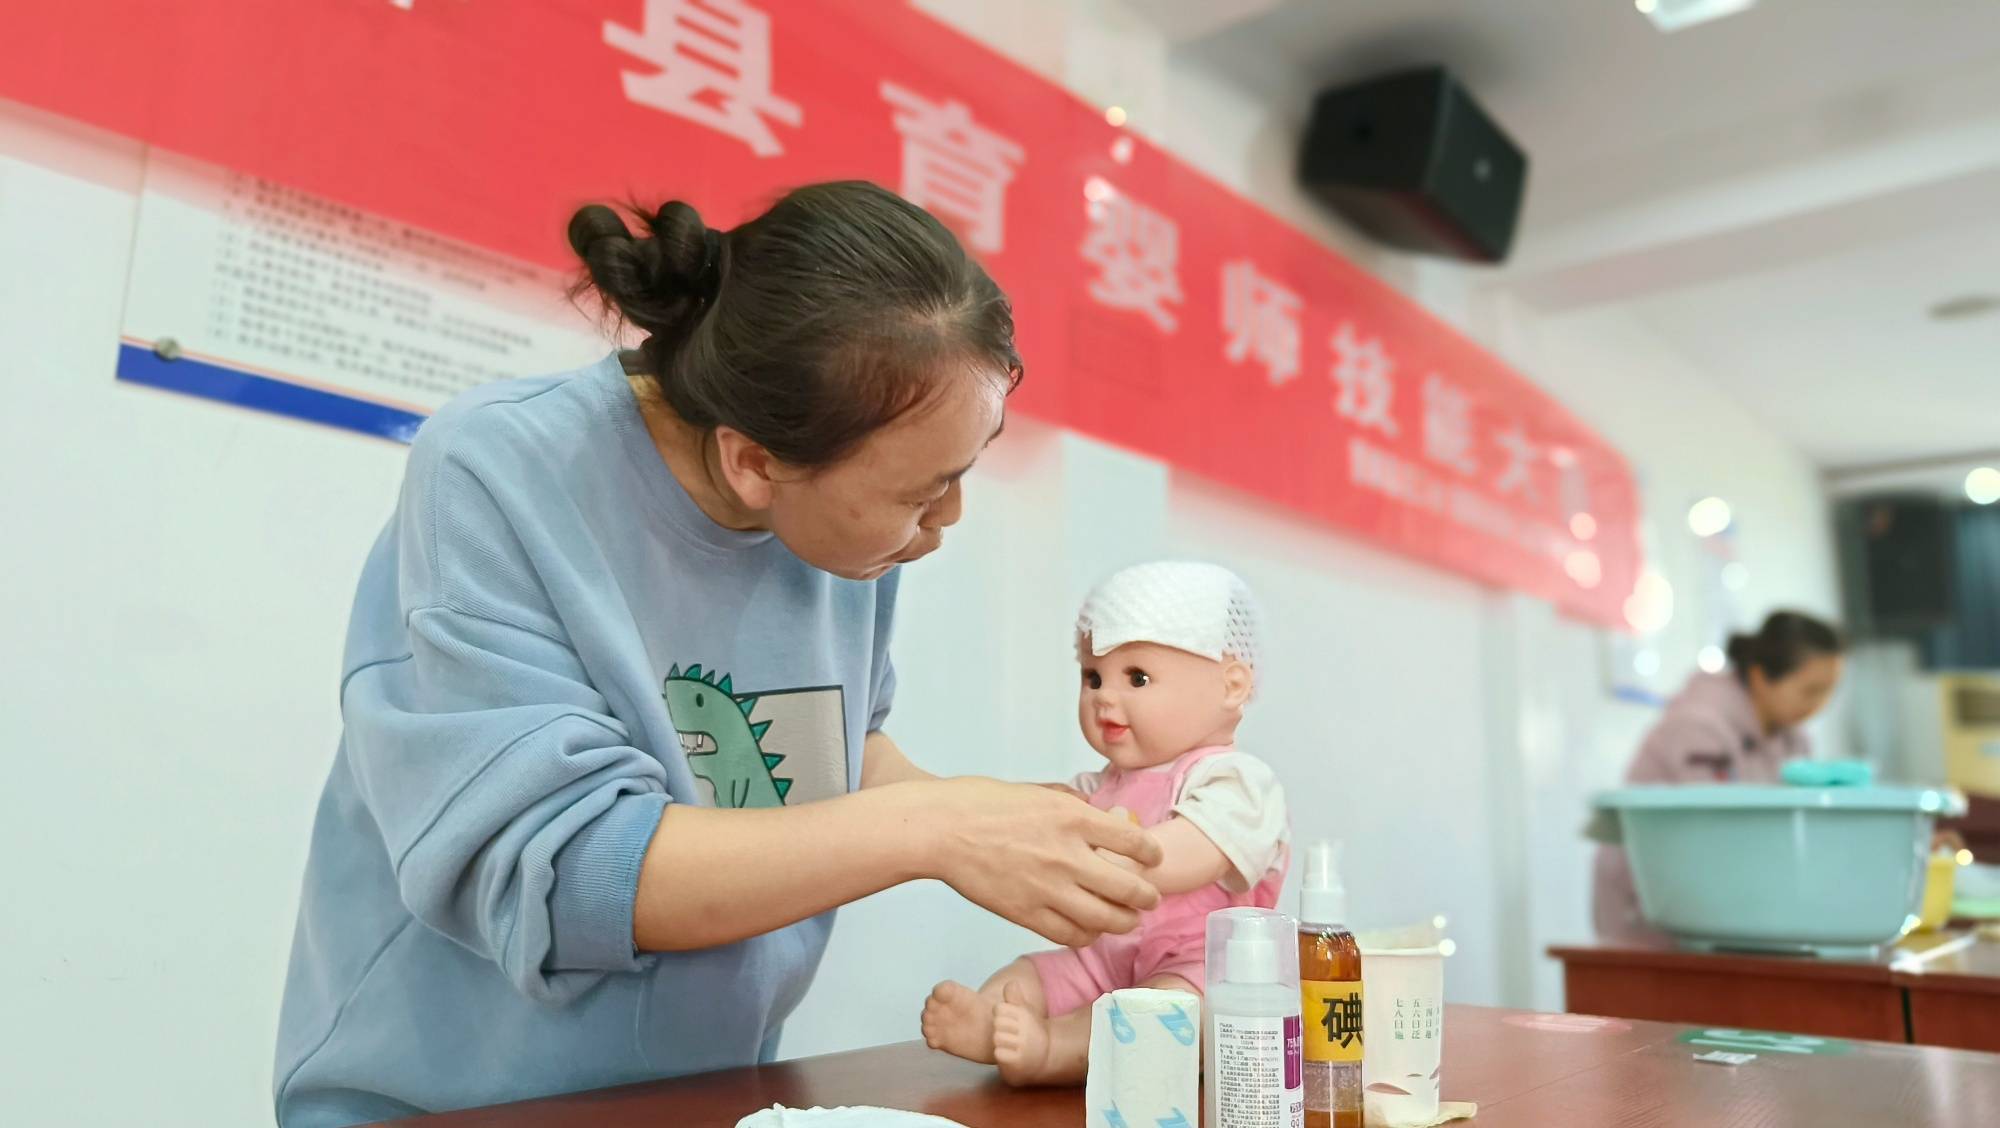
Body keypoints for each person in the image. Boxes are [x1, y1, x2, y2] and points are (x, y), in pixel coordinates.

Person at [272, 183, 1164, 1127]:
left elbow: (830, 755)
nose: (945, 520)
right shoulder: (499, 472)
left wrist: (1018, 829)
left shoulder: (850, 534)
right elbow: (574, 876)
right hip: (452, 1101)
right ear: (753, 460)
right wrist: (938, 829)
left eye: (962, 473)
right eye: (922, 491)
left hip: (704, 1091)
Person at [922, 561, 1290, 1085]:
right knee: (1029, 976)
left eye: (1137, 677)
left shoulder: (1238, 781)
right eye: (1092, 677)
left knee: (1160, 1014)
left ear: (1231, 686)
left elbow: (1196, 848)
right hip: (1103, 957)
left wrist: (1115, 852)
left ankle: (1052, 1050)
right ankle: (992, 1019)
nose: (1104, 697)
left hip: (1195, 968)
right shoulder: (1104, 784)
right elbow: (1050, 820)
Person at [1592, 610, 1846, 941]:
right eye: (1810, 691)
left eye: (1828, 692)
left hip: (1725, 907)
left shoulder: (1792, 739)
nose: (1819, 705)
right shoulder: (1698, 727)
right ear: (1759, 677)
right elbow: (1718, 839)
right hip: (1651, 910)